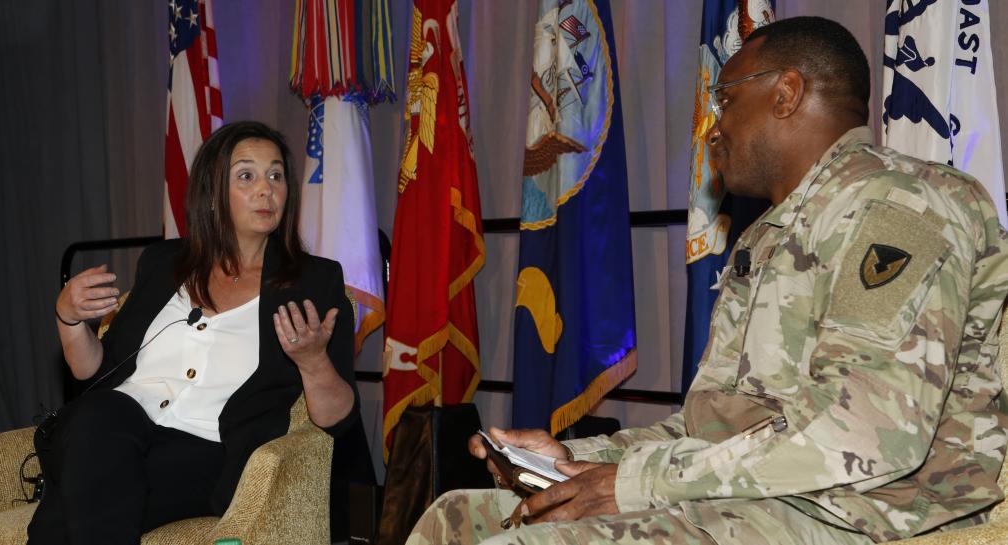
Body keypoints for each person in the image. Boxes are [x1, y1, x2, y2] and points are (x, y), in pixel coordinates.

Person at [406, 16, 1008, 545]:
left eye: (724, 99)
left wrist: (638, 485)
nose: (712, 127)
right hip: (755, 498)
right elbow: (712, 428)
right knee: (456, 518)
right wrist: (577, 460)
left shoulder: (904, 205)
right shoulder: (768, 236)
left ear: (786, 93)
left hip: (861, 513)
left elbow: (867, 435)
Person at [27, 121, 357, 545]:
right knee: (101, 417)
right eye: (246, 176)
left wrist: (313, 363)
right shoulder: (164, 263)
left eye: (276, 175)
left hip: (205, 452)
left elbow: (338, 419)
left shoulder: (314, 281)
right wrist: (67, 318)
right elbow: (95, 372)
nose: (266, 189)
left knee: (70, 508)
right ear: (214, 194)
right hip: (116, 426)